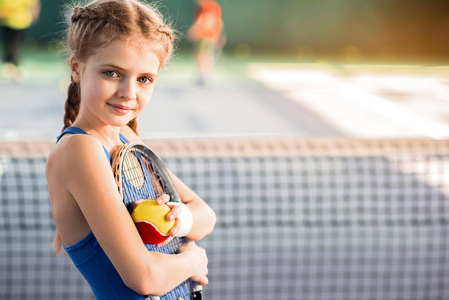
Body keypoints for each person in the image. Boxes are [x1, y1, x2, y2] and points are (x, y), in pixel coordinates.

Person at [45, 1, 216, 299]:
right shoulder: (80, 150)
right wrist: (191, 261)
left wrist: (177, 218)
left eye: (144, 79)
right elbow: (145, 277)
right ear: (76, 68)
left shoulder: (124, 136)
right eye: (111, 73)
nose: (128, 93)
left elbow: (205, 216)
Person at [187, 0, 225, 86]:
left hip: (206, 36)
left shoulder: (209, 7)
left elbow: (206, 21)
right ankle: (204, 75)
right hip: (207, 36)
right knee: (203, 54)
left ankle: (205, 75)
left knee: (203, 55)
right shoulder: (205, 7)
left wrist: (195, 31)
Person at [0, 0, 41, 80]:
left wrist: (34, 14)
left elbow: (34, 4)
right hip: (8, 21)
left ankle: (13, 65)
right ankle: (11, 65)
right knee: (11, 44)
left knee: (15, 44)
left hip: (21, 22)